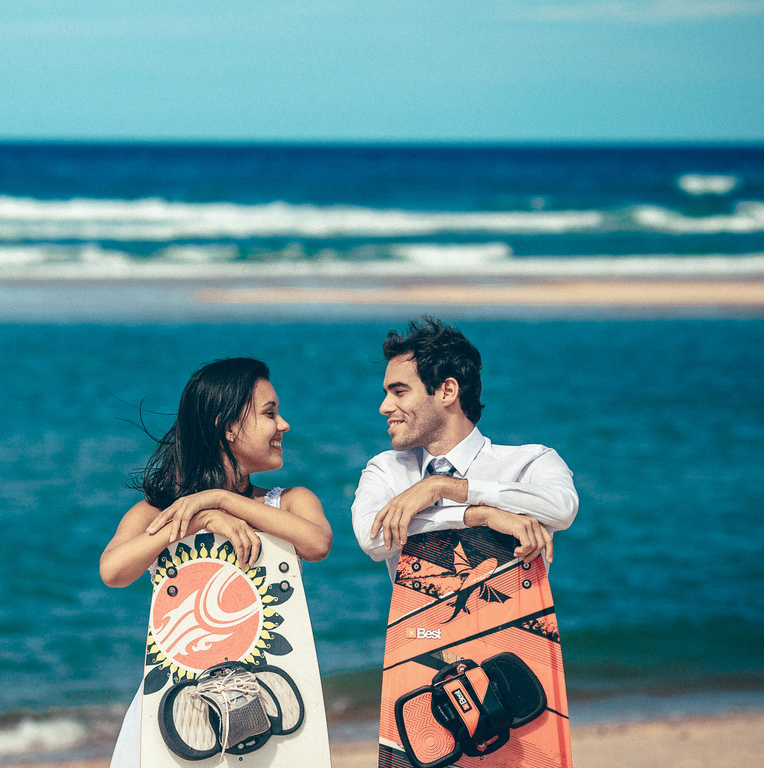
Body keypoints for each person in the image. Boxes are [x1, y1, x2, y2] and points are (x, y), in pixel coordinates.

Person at [100, 357, 333, 767]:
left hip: (268, 702)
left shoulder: (292, 501)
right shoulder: (156, 513)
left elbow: (316, 543)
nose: (284, 425)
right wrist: (198, 519)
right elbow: (113, 571)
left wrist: (221, 500)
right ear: (227, 426)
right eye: (269, 413)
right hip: (179, 709)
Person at [352, 316, 578, 580]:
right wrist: (479, 516)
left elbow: (563, 508)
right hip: (419, 623)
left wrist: (445, 487)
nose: (384, 407)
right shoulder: (385, 469)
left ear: (447, 391)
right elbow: (374, 538)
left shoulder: (531, 461)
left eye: (399, 392)